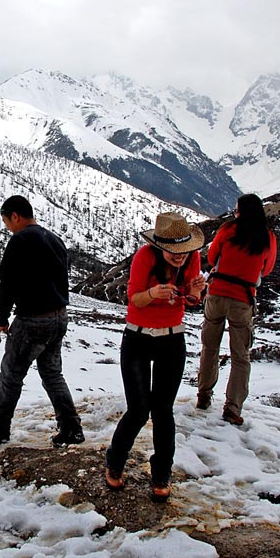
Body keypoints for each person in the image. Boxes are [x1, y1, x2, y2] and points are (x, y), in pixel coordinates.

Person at [105, 211, 206, 501]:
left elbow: (189, 299)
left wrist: (195, 293)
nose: (181, 257)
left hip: (172, 338)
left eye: (185, 252)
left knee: (163, 411)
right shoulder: (144, 258)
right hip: (137, 336)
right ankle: (115, 461)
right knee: (138, 409)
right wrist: (153, 294)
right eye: (174, 253)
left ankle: (161, 474)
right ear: (160, 247)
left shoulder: (192, 258)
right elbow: (134, 298)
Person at [0, 195, 84, 447]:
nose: (7, 226)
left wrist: (2, 318)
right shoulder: (53, 238)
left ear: (15, 216)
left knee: (11, 373)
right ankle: (71, 428)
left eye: (6, 221)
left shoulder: (19, 241)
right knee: (53, 374)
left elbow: (7, 284)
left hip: (32, 319)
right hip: (59, 316)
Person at [196, 193, 278, 425]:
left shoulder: (227, 230)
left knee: (209, 347)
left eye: (237, 209)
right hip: (243, 299)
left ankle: (204, 395)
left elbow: (212, 258)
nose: (235, 212)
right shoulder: (267, 237)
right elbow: (268, 268)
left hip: (217, 293)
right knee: (240, 355)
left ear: (241, 211)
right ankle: (232, 407)